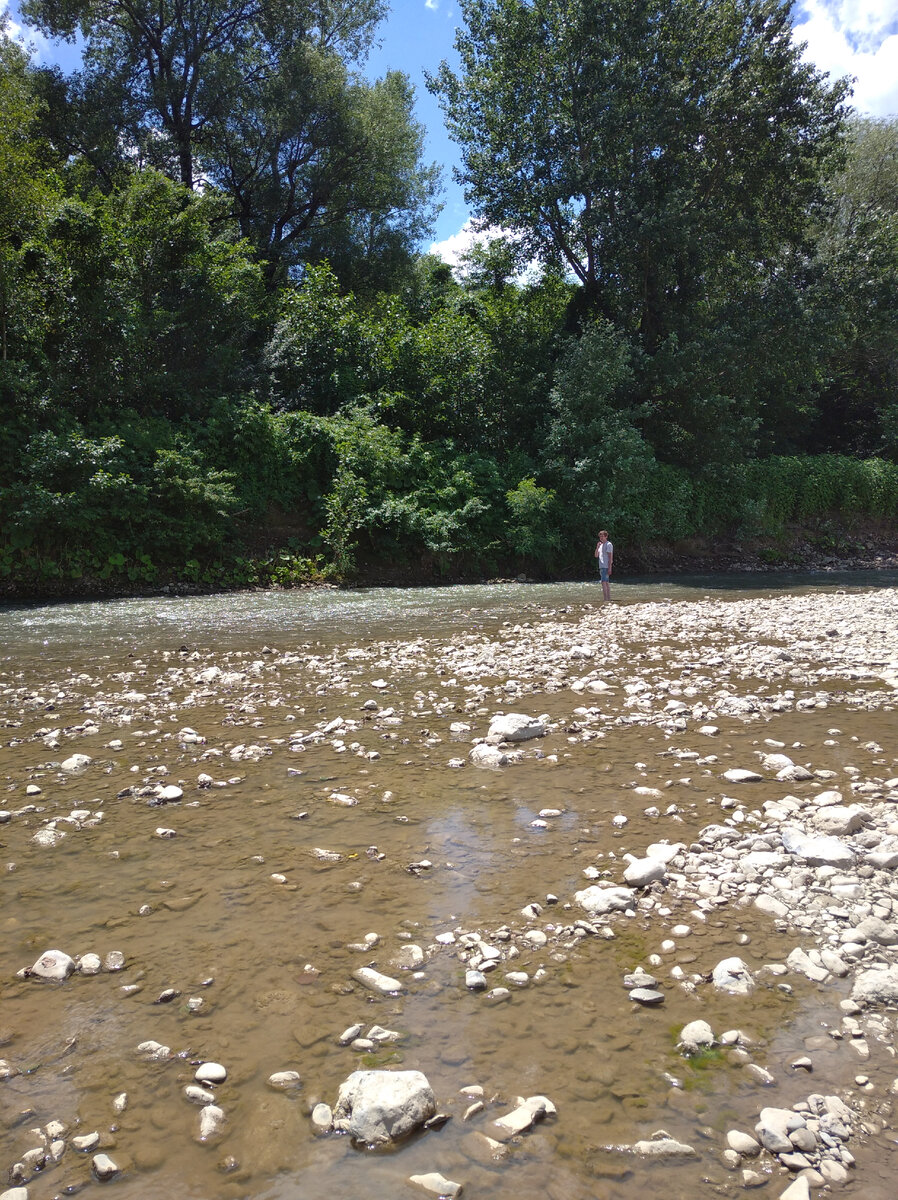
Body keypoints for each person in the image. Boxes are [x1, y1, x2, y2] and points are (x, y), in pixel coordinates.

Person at [594, 529, 613, 600]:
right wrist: (597, 547)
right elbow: (596, 555)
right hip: (601, 566)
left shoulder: (608, 544)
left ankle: (606, 599)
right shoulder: (601, 545)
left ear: (606, 536)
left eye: (602, 536)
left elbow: (610, 557)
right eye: (600, 536)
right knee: (606, 583)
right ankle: (608, 599)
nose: (601, 538)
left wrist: (610, 568)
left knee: (604, 582)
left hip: (606, 566)